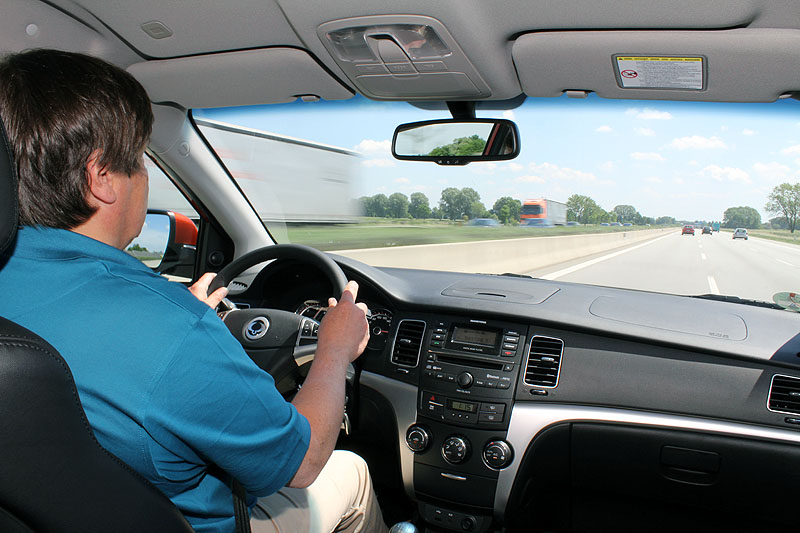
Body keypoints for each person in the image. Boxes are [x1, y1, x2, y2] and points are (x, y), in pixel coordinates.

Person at [0, 48, 388, 533]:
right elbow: (303, 461)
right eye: (140, 161)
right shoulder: (169, 329)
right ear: (102, 178)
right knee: (352, 473)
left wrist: (178, 320)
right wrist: (334, 350)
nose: (145, 176)